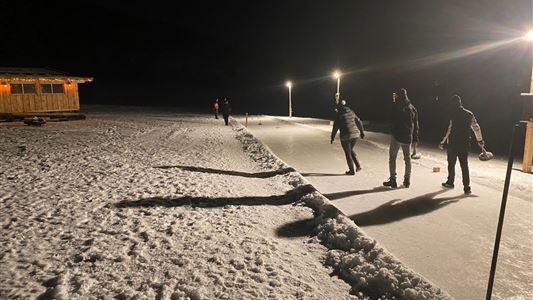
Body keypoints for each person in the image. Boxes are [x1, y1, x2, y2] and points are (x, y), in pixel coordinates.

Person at [439, 94, 484, 195]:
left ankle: (450, 182)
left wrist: (442, 142)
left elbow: (449, 130)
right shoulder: (469, 114)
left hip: (453, 144)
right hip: (464, 143)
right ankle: (466, 187)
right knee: (464, 165)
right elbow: (476, 127)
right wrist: (480, 140)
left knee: (451, 164)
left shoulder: (452, 114)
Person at [383, 88, 419, 188]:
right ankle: (407, 180)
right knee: (407, 159)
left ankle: (393, 180)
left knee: (392, 158)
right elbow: (416, 125)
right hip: (408, 137)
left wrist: (392, 131)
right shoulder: (412, 108)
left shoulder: (396, 107)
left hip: (396, 136)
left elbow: (391, 120)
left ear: (398, 96)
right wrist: (415, 138)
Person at [330, 100, 365, 175]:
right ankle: (358, 165)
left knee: (348, 153)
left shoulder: (339, 115)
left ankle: (351, 171)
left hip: (346, 135)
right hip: (355, 134)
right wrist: (362, 132)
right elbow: (359, 121)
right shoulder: (351, 112)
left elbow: (335, 127)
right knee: (350, 150)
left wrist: (332, 137)